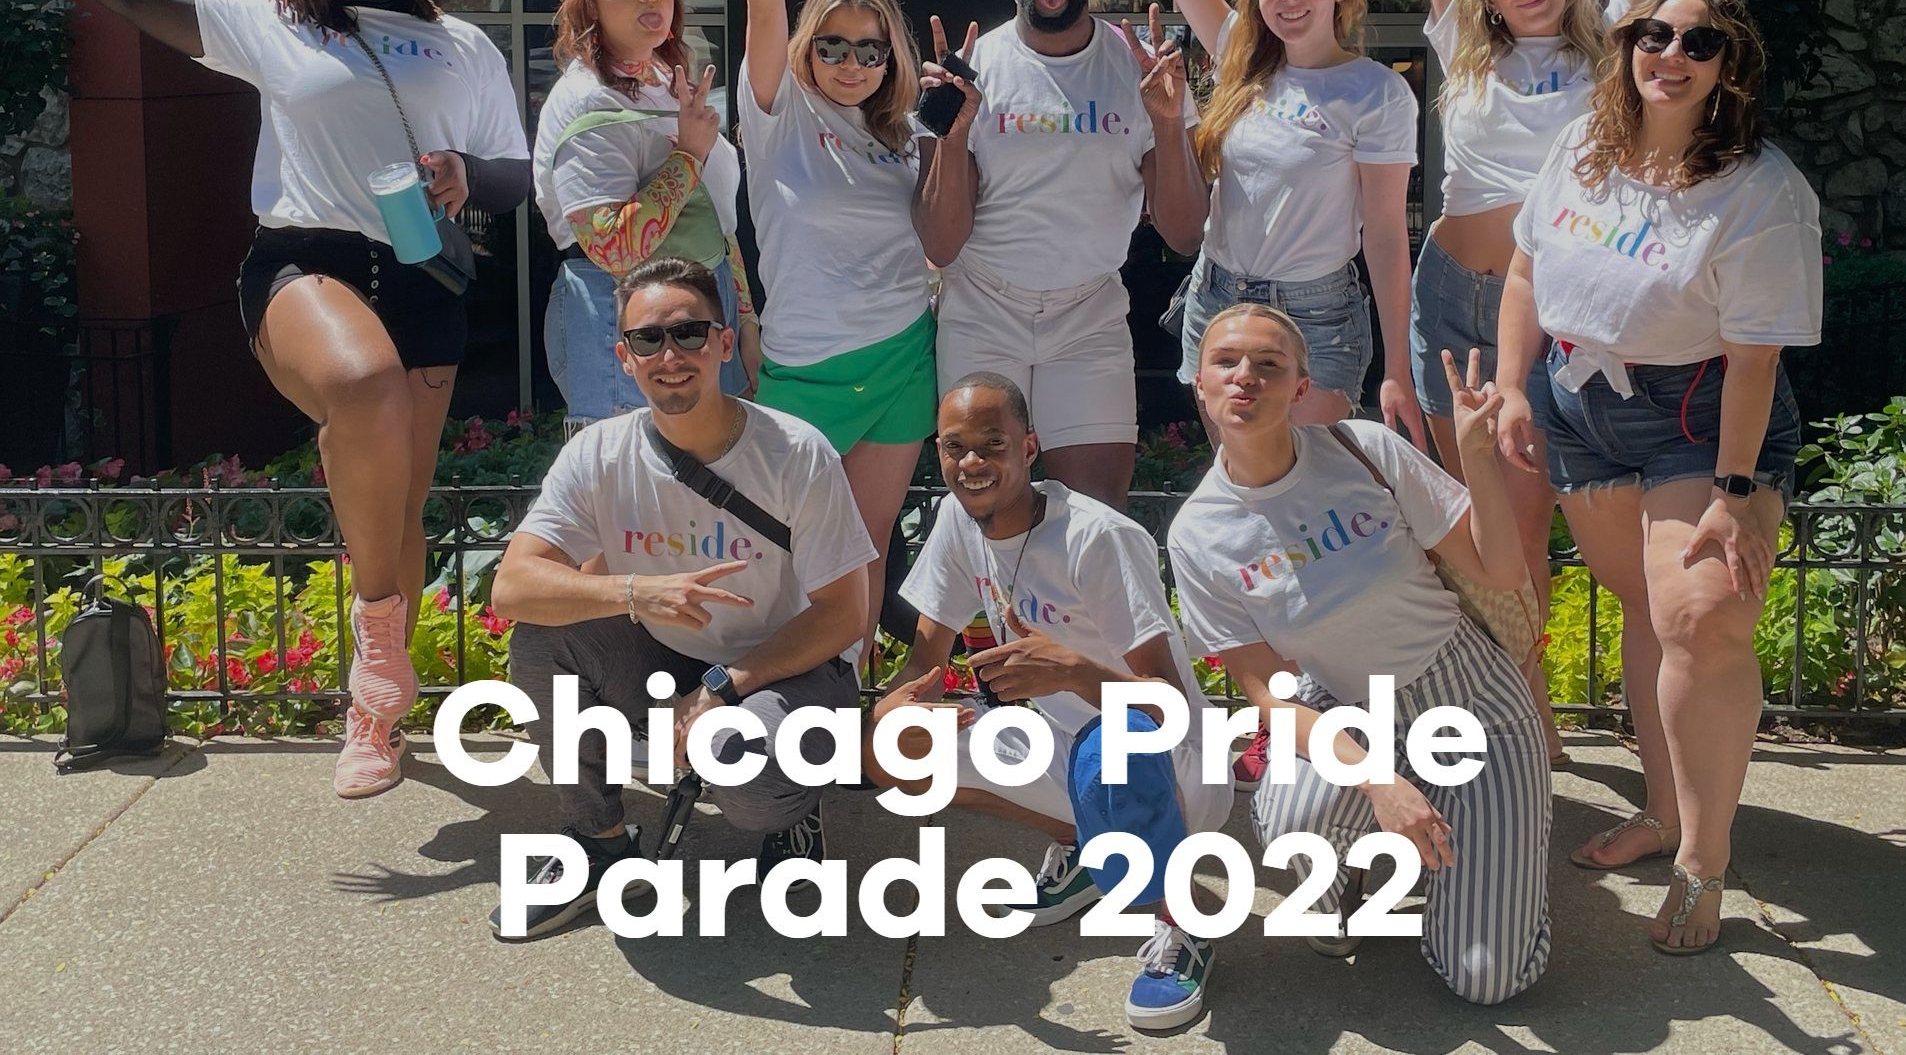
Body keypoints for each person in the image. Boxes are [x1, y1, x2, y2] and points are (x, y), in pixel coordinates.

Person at [3, 0, 530, 801]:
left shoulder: (463, 46)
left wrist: (464, 172)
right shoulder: (273, 25)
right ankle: (376, 650)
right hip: (304, 263)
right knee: (361, 387)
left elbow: (518, 177)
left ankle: (374, 717)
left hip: (424, 276)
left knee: (399, 506)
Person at [1360, 0, 1707, 765]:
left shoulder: (1618, 45)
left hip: (1557, 307)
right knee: (1484, 529)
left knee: (1536, 512)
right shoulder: (1463, 42)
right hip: (1452, 300)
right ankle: (1522, 715)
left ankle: (1528, 709)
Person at [1495, 0, 1822, 953]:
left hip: (1703, 418)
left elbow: (1757, 358)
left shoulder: (1764, 192)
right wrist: (1513, 387)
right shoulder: (1582, 149)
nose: (1669, 55)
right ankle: (1664, 810)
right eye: (1652, 34)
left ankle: (1702, 862)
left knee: (1703, 619)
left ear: (1731, 70)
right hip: (1580, 409)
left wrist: (1731, 491)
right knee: (1647, 608)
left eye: (1699, 43)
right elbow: (1522, 269)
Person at [1166, 304, 1551, 1003]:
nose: (1245, 377)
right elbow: (1270, 700)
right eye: (1226, 362)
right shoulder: (1198, 535)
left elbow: (1498, 571)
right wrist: (1379, 781)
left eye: (1269, 364)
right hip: (1351, 710)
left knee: (1486, 977)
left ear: (1301, 388)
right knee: (1290, 822)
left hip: (1472, 705)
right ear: (1199, 382)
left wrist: (1477, 456)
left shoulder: (1363, 451)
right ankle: (1366, 870)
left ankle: (1473, 861)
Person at [488, 255, 873, 939]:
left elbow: (844, 613)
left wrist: (723, 689)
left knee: (748, 781)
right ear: (625, 357)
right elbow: (514, 587)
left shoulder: (795, 453)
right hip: (664, 659)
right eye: (647, 340)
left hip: (792, 671)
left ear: (725, 344)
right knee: (546, 639)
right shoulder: (598, 453)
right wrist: (635, 592)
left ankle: (793, 807)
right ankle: (599, 844)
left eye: (690, 333)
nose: (670, 355)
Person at [870, 373, 1233, 1032]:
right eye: (955, 447)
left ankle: (1183, 924)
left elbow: (1167, 710)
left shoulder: (1096, 538)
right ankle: (1085, 851)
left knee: (1115, 747)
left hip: (1169, 759)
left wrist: (1073, 670)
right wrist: (897, 709)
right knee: (890, 754)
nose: (972, 463)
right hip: (1067, 748)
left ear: (1029, 447)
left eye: (992, 443)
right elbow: (922, 664)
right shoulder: (960, 518)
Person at [1071, 0, 1421, 445]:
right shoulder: (1238, 53)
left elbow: (1383, 237)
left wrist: (1396, 366)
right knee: (1239, 484)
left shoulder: (1374, 93)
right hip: (1218, 300)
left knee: (1308, 483)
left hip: (1315, 314)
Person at [707, 0, 935, 652]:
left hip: (904, 356)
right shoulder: (776, 116)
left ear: (891, 56)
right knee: (786, 557)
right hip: (804, 371)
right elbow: (764, 8)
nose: (850, 64)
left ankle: (836, 729)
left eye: (869, 49)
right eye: (833, 46)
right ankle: (773, 711)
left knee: (864, 562)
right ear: (808, 48)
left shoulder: (911, 138)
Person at [914, 0, 1207, 510]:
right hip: (984, 307)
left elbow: (1185, 234)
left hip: (1089, 311)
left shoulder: (1137, 67)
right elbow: (940, 242)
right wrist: (953, 132)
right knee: (983, 506)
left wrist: (1166, 122)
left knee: (1096, 514)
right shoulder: (973, 69)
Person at [533, 0, 756, 427]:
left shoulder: (662, 79)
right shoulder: (589, 96)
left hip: (703, 311)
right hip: (629, 318)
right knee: (631, 485)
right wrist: (690, 156)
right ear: (590, 2)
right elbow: (613, 248)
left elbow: (720, 220)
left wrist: (744, 318)